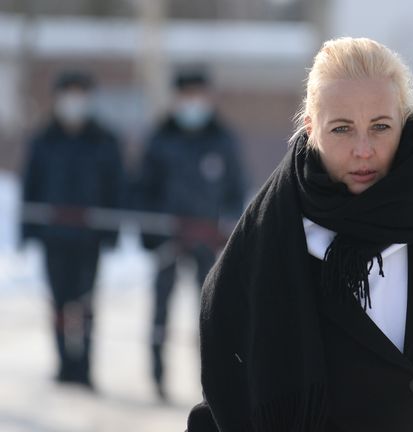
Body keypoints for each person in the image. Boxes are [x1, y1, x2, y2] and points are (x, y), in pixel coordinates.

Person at [186, 37, 413, 432]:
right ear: (311, 130)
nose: (363, 149)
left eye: (380, 127)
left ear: (404, 122)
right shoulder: (269, 239)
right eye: (342, 129)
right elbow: (229, 385)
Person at [134, 68, 245, 400]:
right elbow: (142, 190)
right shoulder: (159, 138)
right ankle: (157, 377)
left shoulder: (223, 139)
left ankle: (212, 383)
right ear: (176, 98)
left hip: (208, 242)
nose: (194, 103)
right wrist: (154, 232)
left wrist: (227, 231)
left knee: (210, 312)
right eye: (187, 96)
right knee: (160, 308)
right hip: (167, 240)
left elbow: (235, 192)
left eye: (200, 95)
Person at [21, 70, 124, 389]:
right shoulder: (43, 140)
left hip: (89, 236)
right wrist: (28, 230)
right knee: (58, 301)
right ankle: (64, 364)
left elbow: (115, 187)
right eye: (69, 94)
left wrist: (112, 231)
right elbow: (31, 186)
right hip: (54, 236)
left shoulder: (105, 140)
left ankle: (85, 367)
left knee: (87, 301)